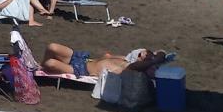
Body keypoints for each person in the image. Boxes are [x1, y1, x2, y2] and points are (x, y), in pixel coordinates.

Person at [41, 43, 171, 78]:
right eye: (143, 52)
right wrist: (154, 54)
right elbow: (162, 51)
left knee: (50, 63)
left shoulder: (128, 68)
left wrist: (154, 60)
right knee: (52, 47)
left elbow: (159, 56)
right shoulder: (124, 58)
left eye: (144, 55)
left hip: (81, 70)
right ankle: (42, 67)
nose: (142, 53)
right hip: (83, 58)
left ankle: (43, 68)